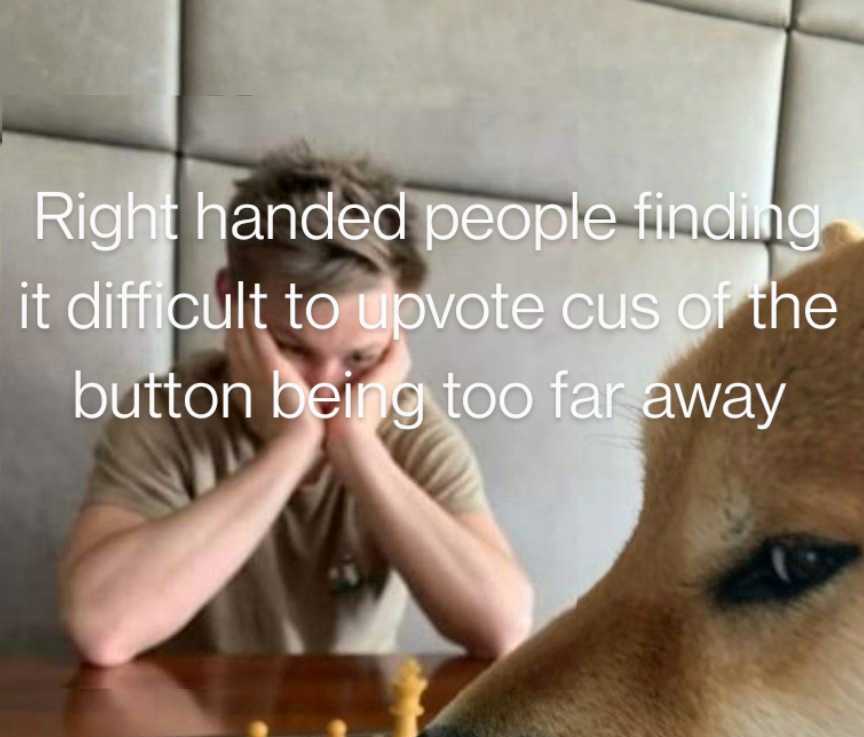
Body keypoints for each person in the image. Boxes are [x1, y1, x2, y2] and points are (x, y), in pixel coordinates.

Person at [59, 145, 533, 665]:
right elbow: (101, 628)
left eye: (361, 356)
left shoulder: (409, 427)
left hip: (345, 727)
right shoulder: (168, 414)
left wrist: (355, 446)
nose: (326, 387)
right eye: (292, 347)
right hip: (181, 731)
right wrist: (293, 447)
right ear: (230, 300)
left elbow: (504, 626)